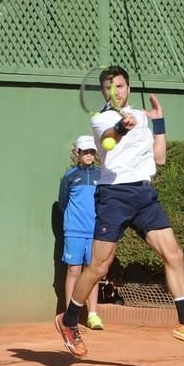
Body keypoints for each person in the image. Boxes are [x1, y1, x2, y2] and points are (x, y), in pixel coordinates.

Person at [54, 66, 184, 357]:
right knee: (99, 268)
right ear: (103, 92)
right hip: (114, 196)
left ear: (128, 88)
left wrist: (159, 120)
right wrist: (120, 127)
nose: (114, 92)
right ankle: (68, 322)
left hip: (144, 195)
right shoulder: (102, 118)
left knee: (174, 254)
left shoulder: (141, 116)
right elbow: (107, 141)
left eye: (119, 86)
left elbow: (160, 157)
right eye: (108, 87)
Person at [58, 135, 103, 330]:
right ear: (77, 153)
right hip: (74, 231)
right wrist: (72, 222)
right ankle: (70, 315)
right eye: (85, 151)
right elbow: (63, 204)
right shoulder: (69, 176)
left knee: (92, 273)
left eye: (92, 152)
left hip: (95, 232)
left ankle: (92, 314)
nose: (89, 155)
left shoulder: (102, 176)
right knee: (73, 271)